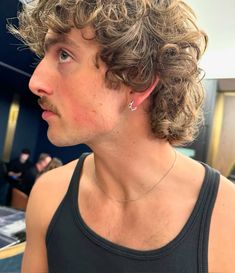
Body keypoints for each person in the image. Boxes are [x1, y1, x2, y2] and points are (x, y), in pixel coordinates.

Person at [9, 0, 235, 272]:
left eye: (65, 54)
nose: (35, 82)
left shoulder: (227, 217)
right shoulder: (49, 194)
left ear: (137, 79)